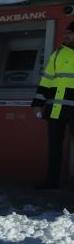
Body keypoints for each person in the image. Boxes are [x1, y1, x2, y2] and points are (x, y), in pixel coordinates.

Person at [31, 21, 74, 190]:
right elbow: (47, 80)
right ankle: (51, 180)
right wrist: (38, 103)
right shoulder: (57, 54)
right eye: (65, 33)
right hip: (56, 108)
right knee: (54, 146)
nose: (65, 36)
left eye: (69, 33)